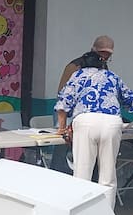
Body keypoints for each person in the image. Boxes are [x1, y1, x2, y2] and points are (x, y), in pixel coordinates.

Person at [54, 51, 133, 208]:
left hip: (86, 122)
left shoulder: (77, 76)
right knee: (108, 175)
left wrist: (61, 128)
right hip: (112, 123)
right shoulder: (111, 76)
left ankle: (81, 214)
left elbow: (62, 105)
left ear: (82, 65)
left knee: (82, 173)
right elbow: (130, 98)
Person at [49, 36, 115, 173]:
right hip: (69, 115)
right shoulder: (74, 66)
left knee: (88, 154)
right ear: (93, 50)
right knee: (62, 150)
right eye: (102, 54)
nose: (105, 58)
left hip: (92, 117)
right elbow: (62, 95)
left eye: (108, 55)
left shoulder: (104, 68)